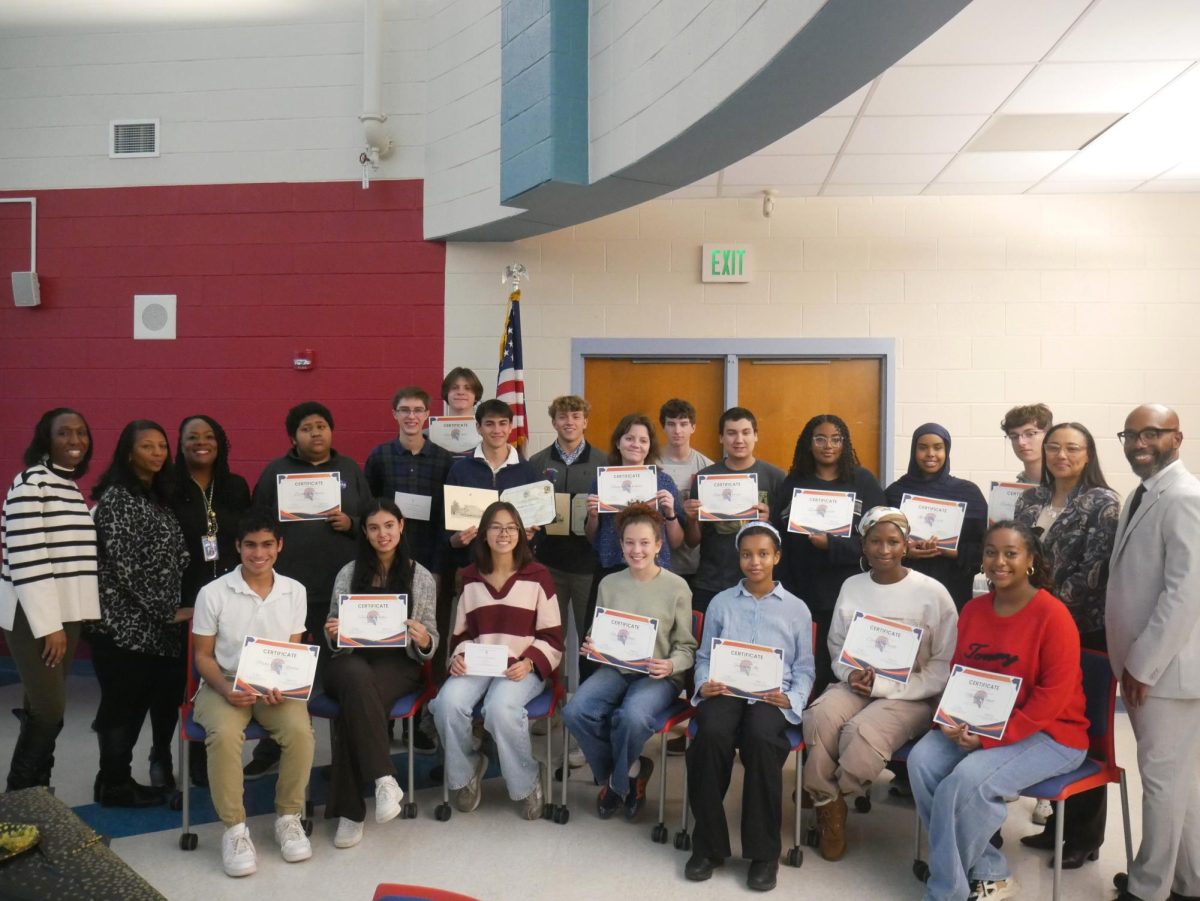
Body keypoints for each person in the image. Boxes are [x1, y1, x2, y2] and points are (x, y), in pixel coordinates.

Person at [908, 521, 1089, 901]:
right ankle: (990, 870)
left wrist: (992, 739)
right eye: (991, 552)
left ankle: (945, 891)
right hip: (980, 724)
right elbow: (960, 675)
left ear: (1030, 561)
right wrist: (949, 722)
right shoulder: (974, 610)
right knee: (922, 760)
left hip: (1052, 734)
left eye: (1011, 553)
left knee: (967, 780)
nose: (999, 561)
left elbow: (1052, 698)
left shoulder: (1053, 616)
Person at [803, 507, 957, 862]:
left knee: (859, 731)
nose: (883, 550)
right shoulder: (852, 586)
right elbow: (837, 646)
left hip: (912, 692)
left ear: (906, 544)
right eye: (875, 541)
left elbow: (943, 664)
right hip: (856, 683)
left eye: (893, 541)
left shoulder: (932, 593)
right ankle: (828, 803)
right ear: (863, 544)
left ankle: (833, 795)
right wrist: (849, 674)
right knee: (820, 715)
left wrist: (889, 689)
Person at [685, 521, 815, 893]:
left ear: (776, 556)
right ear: (737, 557)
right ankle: (708, 846)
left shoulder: (796, 609)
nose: (754, 562)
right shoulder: (721, 602)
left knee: (761, 739)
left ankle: (763, 854)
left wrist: (792, 698)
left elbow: (805, 667)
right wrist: (704, 681)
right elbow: (705, 655)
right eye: (746, 554)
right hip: (726, 690)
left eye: (763, 554)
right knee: (710, 735)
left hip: (772, 695)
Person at [1013, 421, 1119, 867]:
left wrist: (1042, 604)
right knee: (1045, 720)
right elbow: (1015, 554)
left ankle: (1084, 836)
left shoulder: (1104, 504)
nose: (1061, 455)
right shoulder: (1030, 497)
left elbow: (1097, 571)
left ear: (1089, 454)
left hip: (1081, 627)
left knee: (1083, 728)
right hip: (1033, 628)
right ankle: (1056, 826)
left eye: (1072, 448)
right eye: (1054, 447)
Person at [245, 401, 370, 779]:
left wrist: (352, 521)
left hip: (338, 591)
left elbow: (372, 520)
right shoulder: (275, 473)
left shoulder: (349, 469)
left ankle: (344, 750)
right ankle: (274, 744)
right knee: (280, 670)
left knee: (338, 671)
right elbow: (258, 524)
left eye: (322, 426)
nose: (316, 433)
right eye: (307, 428)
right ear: (293, 436)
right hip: (287, 592)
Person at [1106, 405, 1200, 901]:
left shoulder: (1185, 497)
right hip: (1154, 668)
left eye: (1152, 433)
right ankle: (1188, 882)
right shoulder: (1144, 493)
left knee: (1162, 783)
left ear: (1177, 437)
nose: (1139, 442)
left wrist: (1142, 664)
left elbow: (1185, 593)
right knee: (1180, 781)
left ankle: (1147, 891)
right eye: (1131, 434)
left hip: (1165, 671)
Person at [191, 514, 315, 878]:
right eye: (250, 545)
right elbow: (202, 656)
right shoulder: (213, 593)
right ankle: (235, 829)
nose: (258, 553)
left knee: (300, 733)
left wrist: (286, 686)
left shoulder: (295, 590)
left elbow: (293, 650)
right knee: (225, 735)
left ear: (279, 546)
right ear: (237, 547)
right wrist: (227, 689)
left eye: (266, 544)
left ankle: (289, 818)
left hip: (274, 683)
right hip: (224, 680)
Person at [561, 504, 696, 821]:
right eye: (630, 543)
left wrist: (671, 666)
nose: (637, 550)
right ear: (620, 545)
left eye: (645, 543)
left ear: (659, 545)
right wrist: (593, 645)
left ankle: (614, 786)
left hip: (657, 675)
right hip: (616, 669)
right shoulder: (609, 584)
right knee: (574, 711)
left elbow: (687, 647)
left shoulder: (677, 587)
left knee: (632, 716)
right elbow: (600, 628)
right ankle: (632, 770)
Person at [430, 502, 562, 819]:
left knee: (501, 709)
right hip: (479, 662)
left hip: (521, 666)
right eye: (495, 527)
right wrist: (457, 658)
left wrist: (530, 662)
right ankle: (466, 771)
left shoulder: (538, 576)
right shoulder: (471, 577)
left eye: (510, 527)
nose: (503, 533)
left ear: (521, 533)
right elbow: (460, 636)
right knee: (447, 703)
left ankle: (528, 781)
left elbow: (554, 637)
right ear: (484, 535)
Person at [323, 500, 438, 849]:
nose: (382, 534)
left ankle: (350, 813)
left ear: (401, 526)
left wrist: (424, 638)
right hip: (349, 660)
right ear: (365, 532)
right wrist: (333, 632)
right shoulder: (348, 572)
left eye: (389, 525)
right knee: (356, 678)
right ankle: (384, 777)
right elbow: (333, 630)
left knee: (353, 708)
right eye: (374, 528)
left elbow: (430, 638)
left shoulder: (421, 576)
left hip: (398, 664)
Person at [89, 420, 191, 807]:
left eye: (162, 446)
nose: (158, 453)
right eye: (147, 446)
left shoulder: (153, 496)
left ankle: (115, 780)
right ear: (128, 453)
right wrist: (170, 611)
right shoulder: (118, 499)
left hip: (152, 630)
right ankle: (113, 784)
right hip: (122, 627)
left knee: (135, 705)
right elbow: (125, 566)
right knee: (122, 708)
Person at [1, 408, 99, 791]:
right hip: (35, 616)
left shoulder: (67, 485)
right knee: (49, 710)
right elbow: (28, 559)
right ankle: (20, 793)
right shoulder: (30, 484)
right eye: (64, 433)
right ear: (46, 438)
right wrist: (50, 626)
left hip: (66, 613)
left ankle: (39, 792)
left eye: (81, 432)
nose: (75, 440)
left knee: (41, 705)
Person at [161, 414, 251, 790]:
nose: (201, 442)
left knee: (219, 672)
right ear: (180, 445)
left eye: (209, 436)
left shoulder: (234, 486)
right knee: (178, 683)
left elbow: (248, 538)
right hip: (184, 598)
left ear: (221, 442)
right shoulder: (166, 486)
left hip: (229, 597)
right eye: (192, 437)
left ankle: (209, 757)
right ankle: (162, 757)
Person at [773, 414, 886, 693]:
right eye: (820, 439)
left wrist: (832, 545)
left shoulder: (863, 481)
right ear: (808, 444)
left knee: (843, 663)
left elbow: (878, 539)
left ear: (845, 443)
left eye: (836, 439)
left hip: (848, 590)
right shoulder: (794, 481)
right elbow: (779, 534)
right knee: (808, 662)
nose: (828, 445)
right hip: (802, 589)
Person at [528, 395, 606, 683]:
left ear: (585, 421)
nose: (569, 422)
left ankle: (586, 705)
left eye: (575, 416)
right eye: (563, 417)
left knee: (591, 639)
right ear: (553, 422)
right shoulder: (537, 463)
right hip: (549, 566)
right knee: (550, 638)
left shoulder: (605, 462)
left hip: (590, 567)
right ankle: (553, 705)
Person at [682, 407, 785, 614]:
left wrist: (770, 521)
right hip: (712, 582)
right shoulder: (705, 479)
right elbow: (692, 541)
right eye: (731, 433)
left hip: (761, 583)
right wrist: (692, 519)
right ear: (721, 438)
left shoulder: (776, 478)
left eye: (746, 432)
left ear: (755, 436)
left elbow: (787, 538)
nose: (739, 439)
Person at [884, 423, 987, 608]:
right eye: (923, 447)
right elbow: (879, 540)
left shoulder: (968, 493)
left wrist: (954, 552)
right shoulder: (896, 493)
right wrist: (905, 550)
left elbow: (985, 547)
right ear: (914, 451)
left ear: (946, 451)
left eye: (938, 447)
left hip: (952, 587)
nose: (930, 454)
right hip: (903, 586)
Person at [364, 386, 454, 576]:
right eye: (404, 410)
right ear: (394, 414)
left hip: (431, 554)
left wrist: (439, 569)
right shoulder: (380, 456)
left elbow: (445, 517)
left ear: (427, 414)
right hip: (387, 555)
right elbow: (369, 506)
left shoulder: (443, 459)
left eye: (418, 410)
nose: (411, 416)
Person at [655, 399, 714, 585]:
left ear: (693, 427)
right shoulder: (651, 465)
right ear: (663, 427)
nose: (677, 430)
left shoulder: (707, 468)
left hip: (692, 565)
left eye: (683, 424)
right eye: (671, 424)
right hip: (655, 561)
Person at [1001, 404, 1052, 484]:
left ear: (1049, 435)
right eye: (1014, 436)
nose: (1021, 442)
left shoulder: (1067, 485)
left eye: (1030, 434)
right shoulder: (1014, 489)